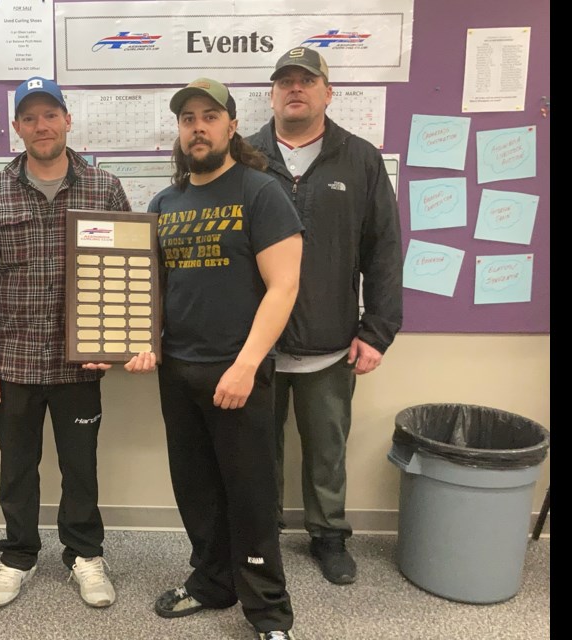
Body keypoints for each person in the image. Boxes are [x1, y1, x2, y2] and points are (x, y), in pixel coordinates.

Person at [125, 78, 304, 640]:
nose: (197, 127)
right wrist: (144, 338)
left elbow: (284, 286)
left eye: (209, 116)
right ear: (179, 133)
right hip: (178, 371)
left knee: (250, 494)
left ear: (230, 125)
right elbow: (152, 286)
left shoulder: (260, 192)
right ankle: (210, 583)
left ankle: (269, 612)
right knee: (196, 488)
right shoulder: (165, 203)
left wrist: (247, 364)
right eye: (186, 119)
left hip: (240, 372)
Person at [0, 76, 131, 610]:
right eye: (29, 118)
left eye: (50, 114)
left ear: (67, 120)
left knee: (81, 468)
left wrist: (120, 343)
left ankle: (84, 554)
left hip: (81, 365)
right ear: (17, 128)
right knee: (17, 469)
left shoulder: (104, 188)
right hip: (13, 364)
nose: (41, 126)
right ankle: (17, 556)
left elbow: (128, 275)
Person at [245, 46, 403, 585]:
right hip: (256, 346)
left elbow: (384, 250)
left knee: (327, 450)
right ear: (271, 94)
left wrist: (377, 331)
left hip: (331, 341)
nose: (295, 88)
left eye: (306, 81)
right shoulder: (245, 157)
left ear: (327, 93)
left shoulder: (359, 159)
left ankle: (329, 535)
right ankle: (260, 531)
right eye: (285, 81)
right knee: (255, 450)